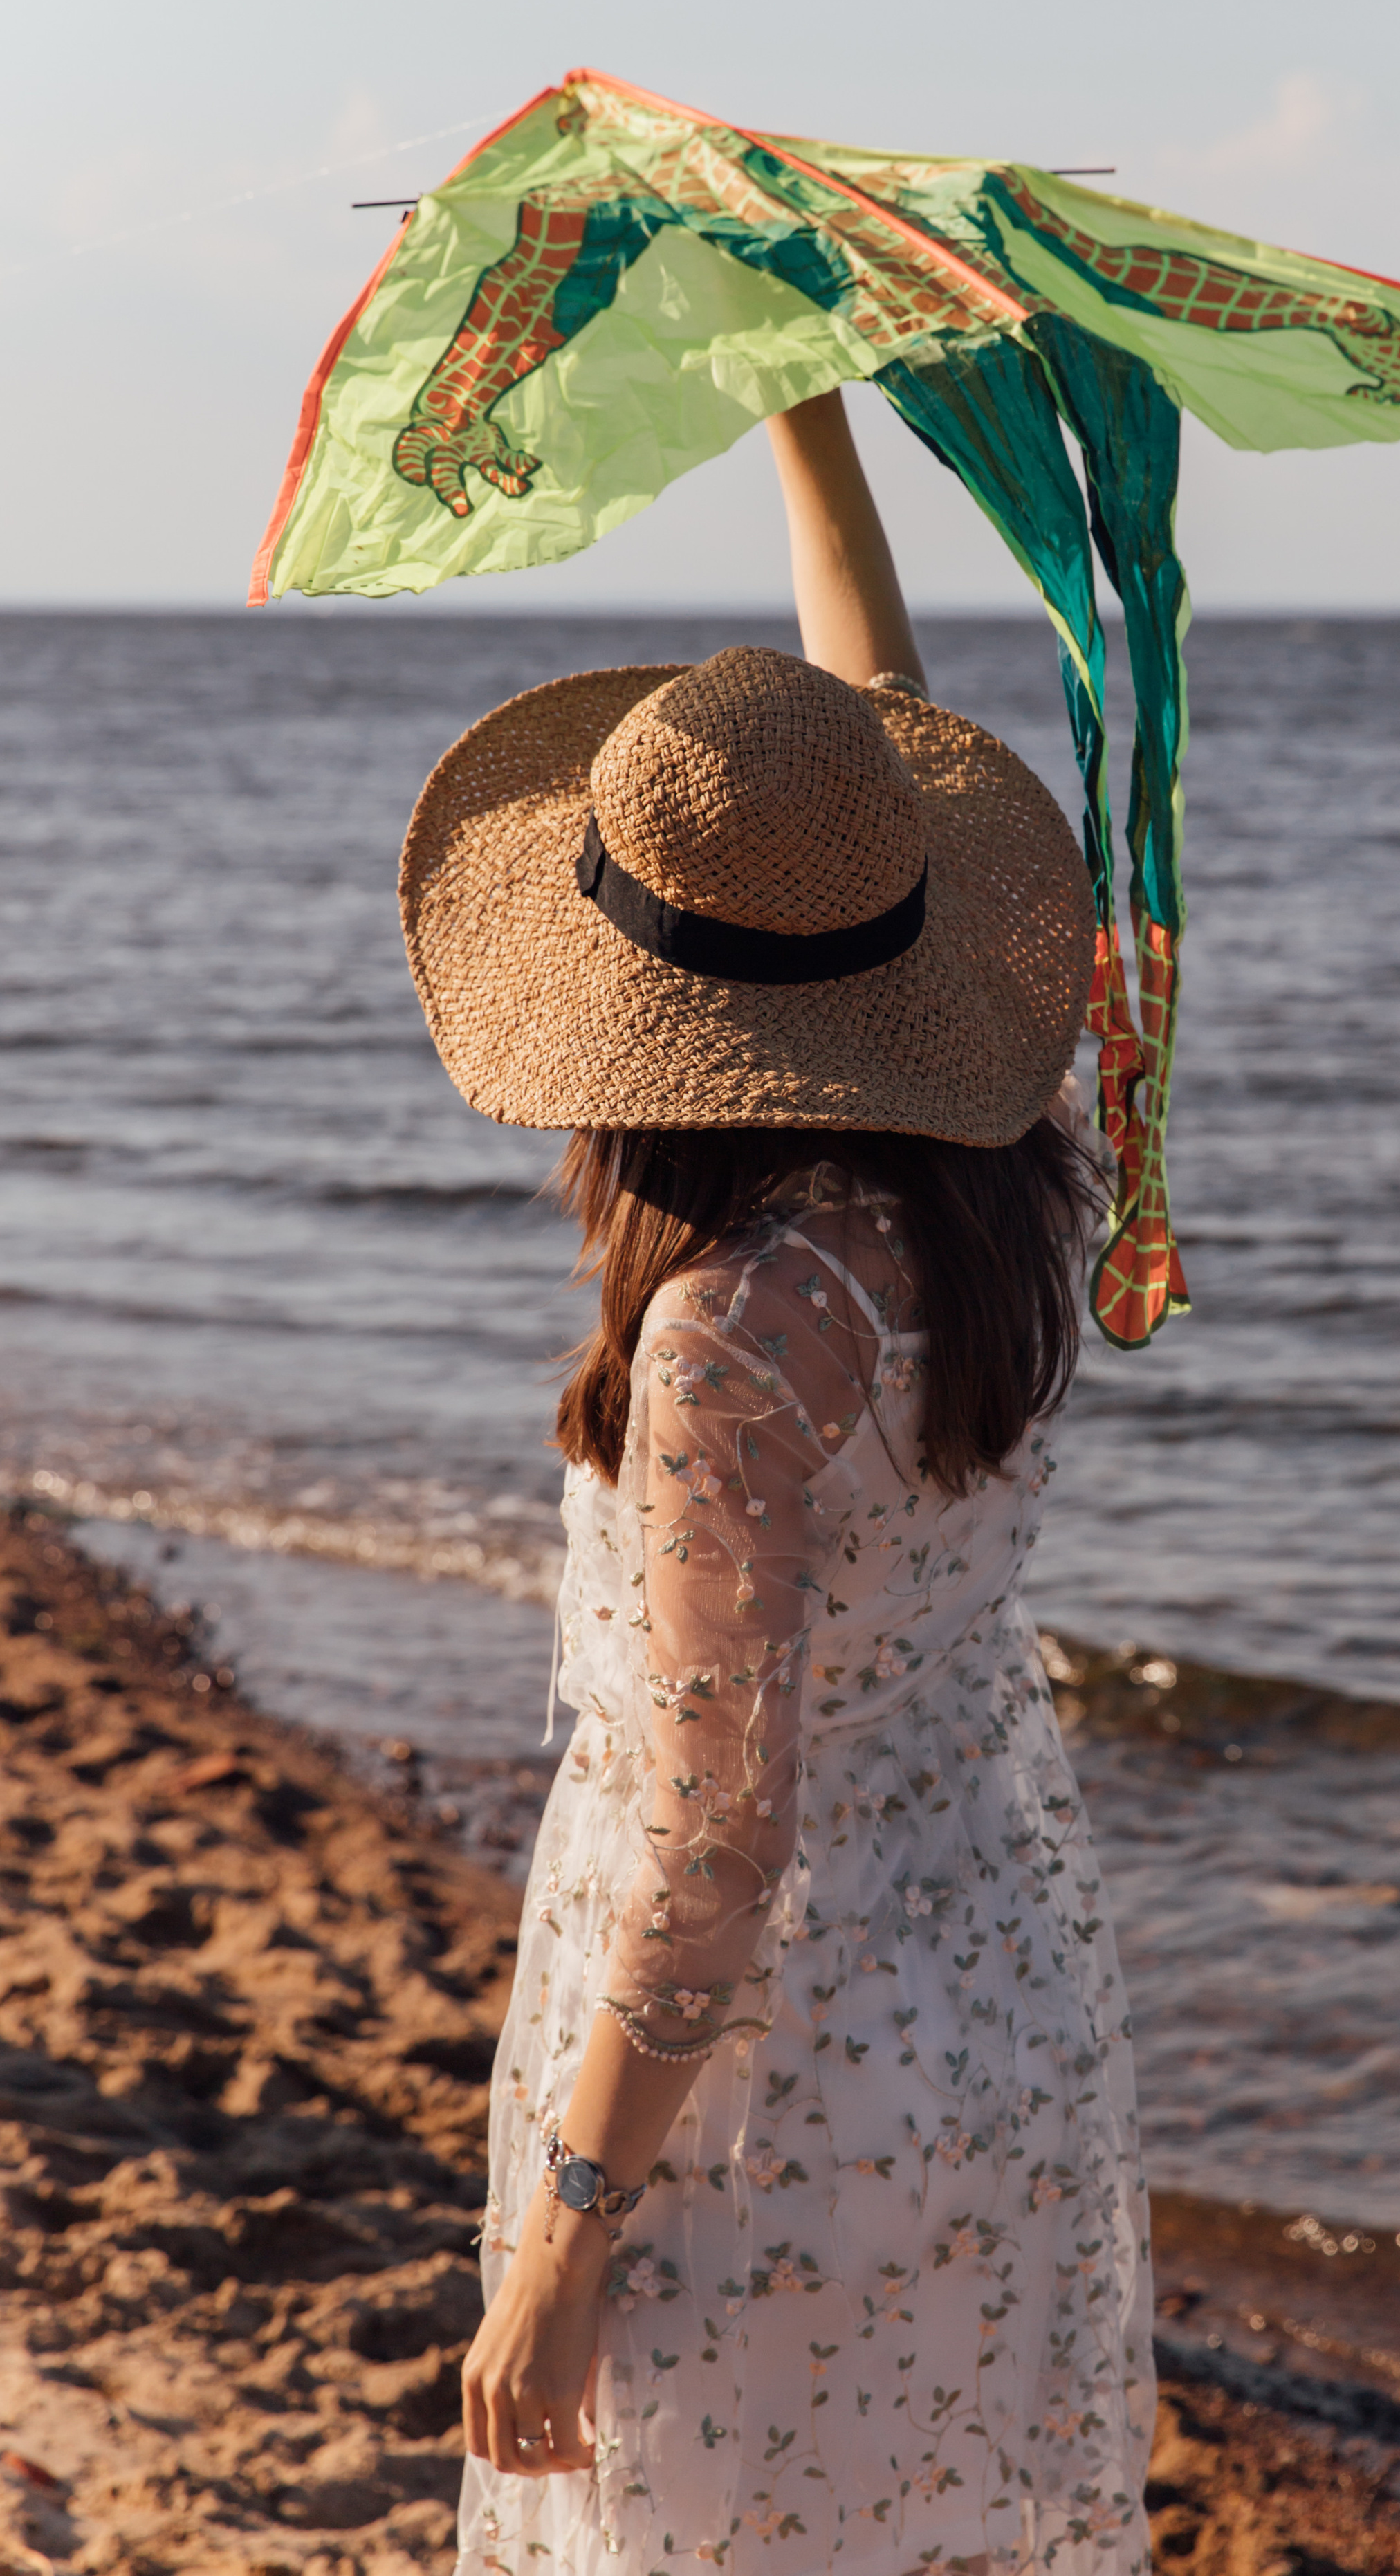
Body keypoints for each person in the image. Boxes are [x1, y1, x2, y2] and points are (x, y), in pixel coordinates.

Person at [399, 389, 1155, 2576]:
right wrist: (802, 410)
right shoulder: (1015, 1140)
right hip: (996, 1968)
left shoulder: (743, 1333)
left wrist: (560, 2240)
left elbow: (720, 1849)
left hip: (770, 2082)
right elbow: (875, 735)